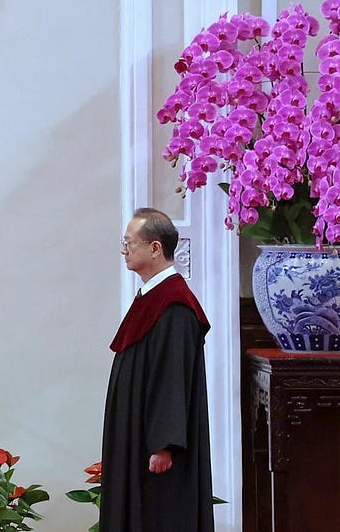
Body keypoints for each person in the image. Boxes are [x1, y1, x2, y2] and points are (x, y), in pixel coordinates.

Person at [101, 208, 215, 532]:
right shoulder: (152, 297)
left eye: (129, 243)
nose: (124, 250)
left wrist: (164, 444)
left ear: (155, 248)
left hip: (155, 451)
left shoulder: (175, 306)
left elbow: (172, 377)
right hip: (137, 438)